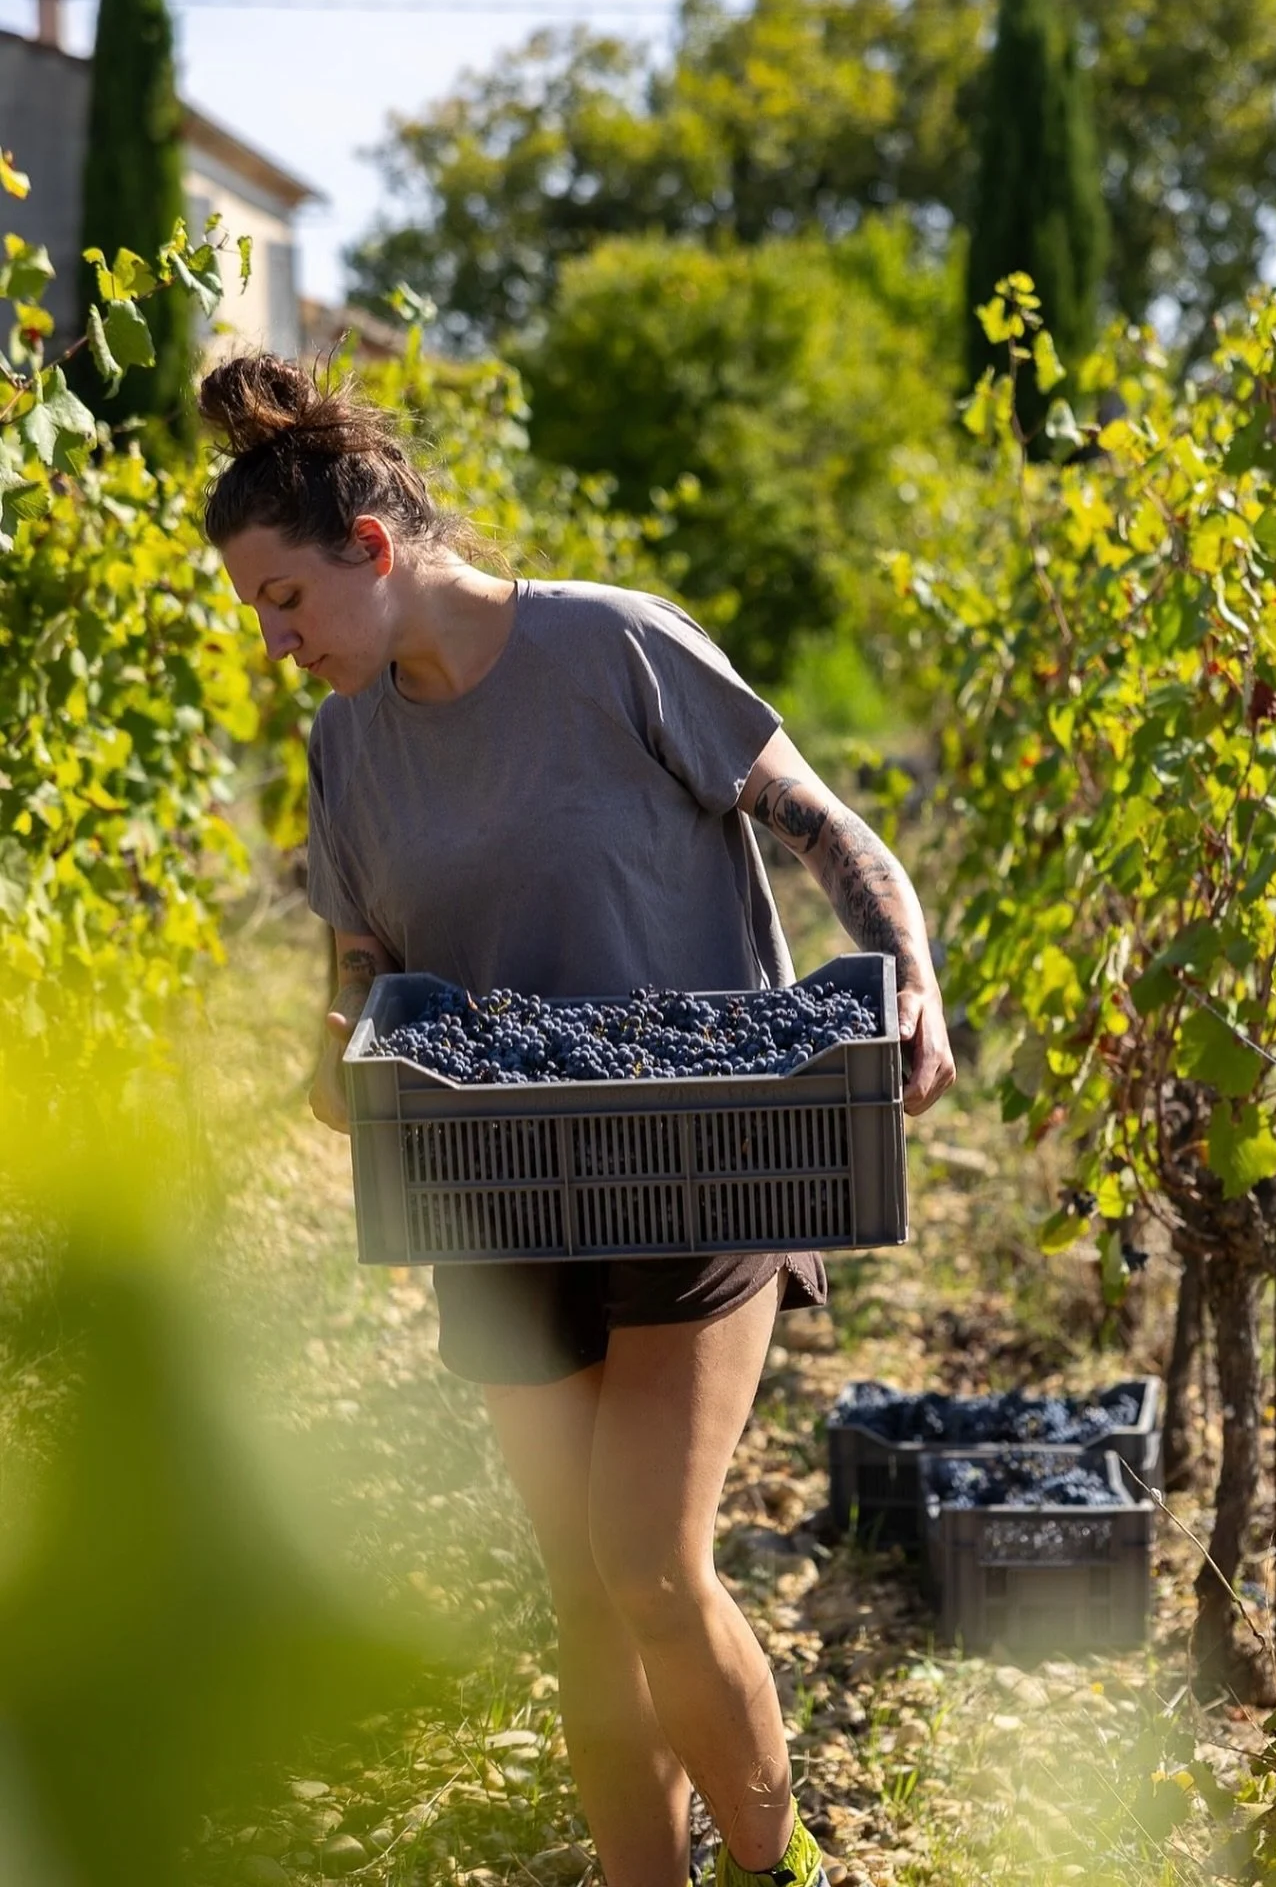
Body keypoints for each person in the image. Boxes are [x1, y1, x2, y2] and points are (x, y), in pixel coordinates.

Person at [199, 355, 956, 1887]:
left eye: (283, 602)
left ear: (374, 549)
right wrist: (336, 1049)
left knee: (653, 1570)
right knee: (580, 1596)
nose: (273, 644)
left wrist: (910, 974)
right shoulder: (347, 747)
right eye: (254, 617)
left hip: (706, 1153)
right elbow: (365, 961)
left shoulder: (612, 648)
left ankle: (773, 1867)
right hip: (499, 1178)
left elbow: (821, 820)